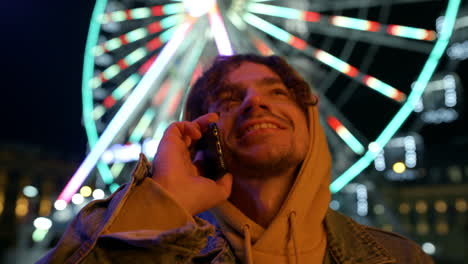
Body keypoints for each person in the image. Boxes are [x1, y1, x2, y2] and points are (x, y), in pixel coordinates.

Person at [38, 54, 433, 264]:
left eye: (276, 92)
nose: (254, 102)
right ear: (199, 135)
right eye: (229, 99)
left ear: (309, 120)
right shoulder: (148, 247)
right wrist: (161, 206)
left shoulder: (398, 259)